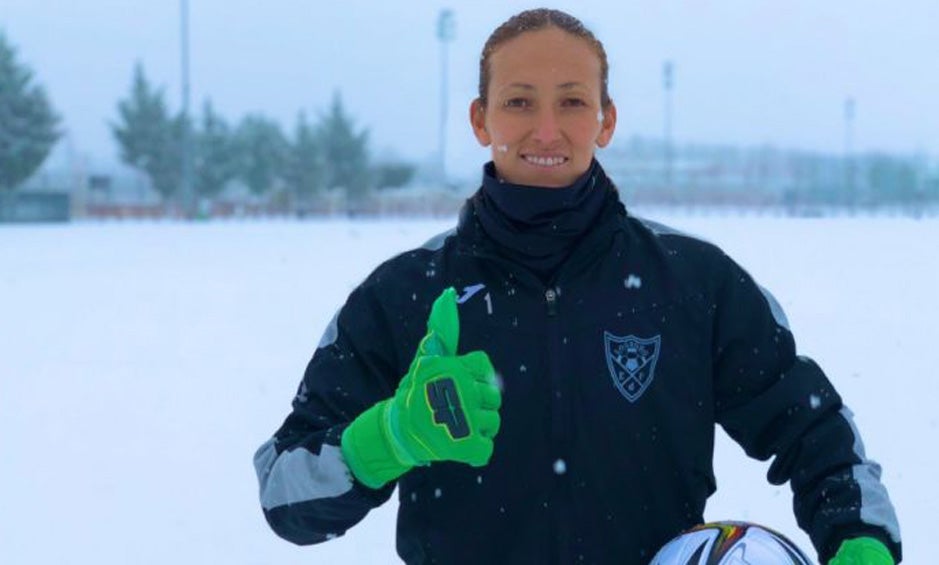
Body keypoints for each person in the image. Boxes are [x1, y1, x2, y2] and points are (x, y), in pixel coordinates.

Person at [254, 8, 901, 564]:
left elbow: (815, 432)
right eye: (518, 101)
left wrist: (860, 535)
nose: (545, 129)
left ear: (605, 119)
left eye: (571, 100)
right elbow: (284, 490)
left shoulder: (695, 282)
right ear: (481, 119)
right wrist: (391, 435)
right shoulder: (406, 293)